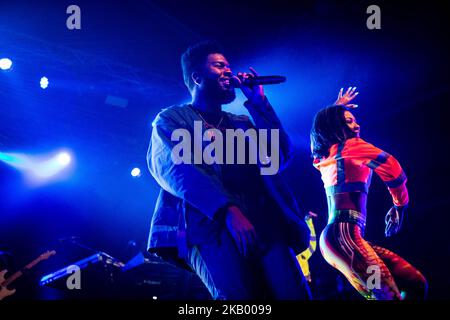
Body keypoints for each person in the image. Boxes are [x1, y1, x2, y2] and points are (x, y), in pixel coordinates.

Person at [146, 41, 311, 300]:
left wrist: (260, 104)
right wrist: (228, 211)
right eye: (219, 65)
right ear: (197, 77)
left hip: (265, 225)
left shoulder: (242, 123)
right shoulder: (172, 119)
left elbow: (278, 157)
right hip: (210, 227)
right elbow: (179, 171)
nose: (228, 71)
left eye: (228, 66)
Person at [310, 88, 428, 300]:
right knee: (386, 297)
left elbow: (321, 128)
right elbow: (393, 169)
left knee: (414, 284)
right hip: (344, 237)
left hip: (341, 240)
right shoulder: (351, 147)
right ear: (336, 127)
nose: (357, 125)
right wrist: (400, 205)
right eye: (349, 121)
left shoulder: (325, 155)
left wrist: (336, 108)